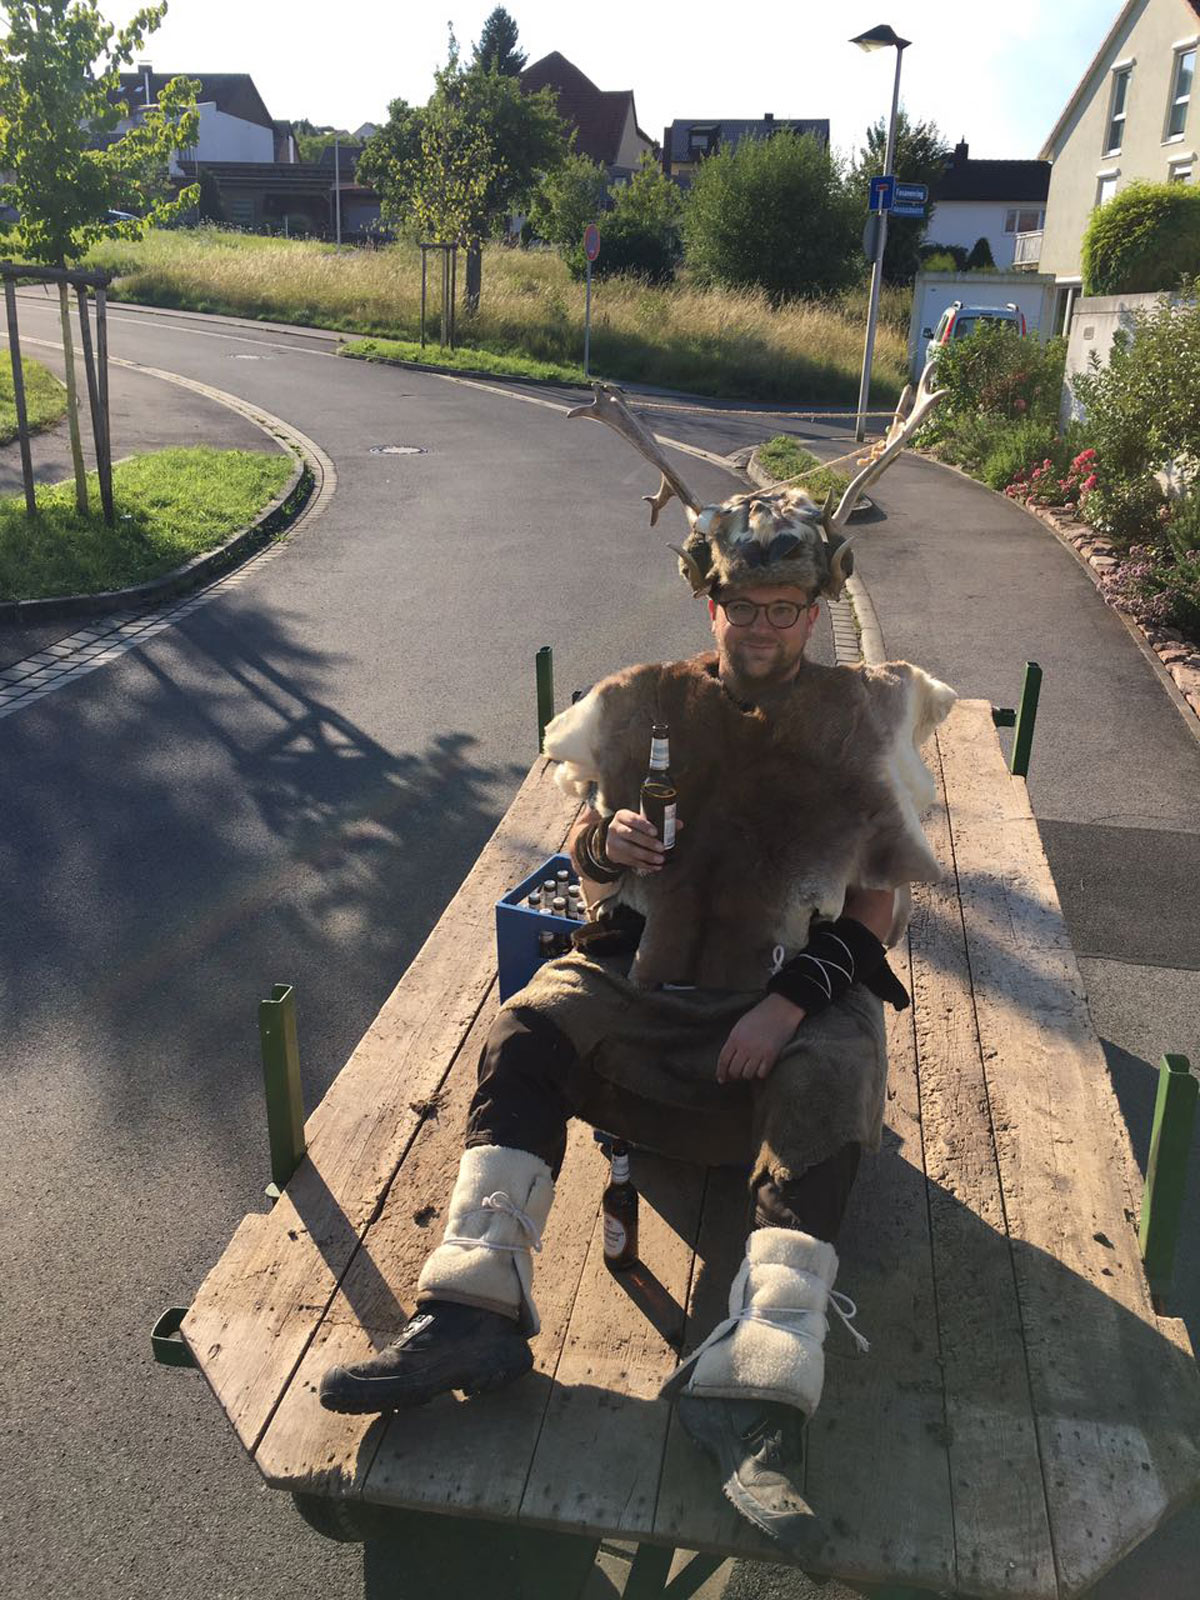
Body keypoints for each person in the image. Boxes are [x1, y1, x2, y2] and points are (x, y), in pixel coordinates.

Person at [320, 384, 954, 1552]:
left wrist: (785, 1006)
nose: (761, 628)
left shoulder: (863, 720)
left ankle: (758, 1389)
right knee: (526, 1026)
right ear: (710, 599)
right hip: (646, 985)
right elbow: (584, 853)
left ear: (815, 609)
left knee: (834, 1068)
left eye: (785, 607)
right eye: (740, 604)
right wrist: (602, 843)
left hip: (785, 1002)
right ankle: (473, 1311)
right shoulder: (645, 701)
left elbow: (879, 910)